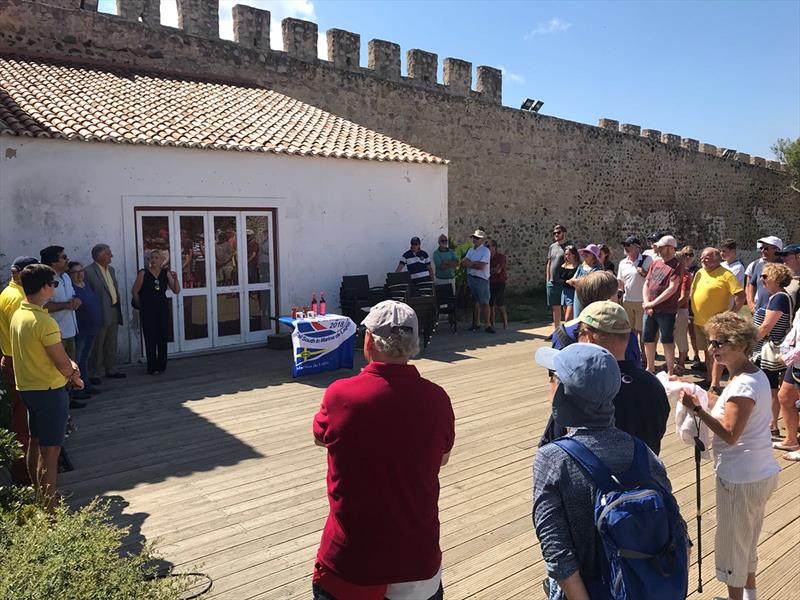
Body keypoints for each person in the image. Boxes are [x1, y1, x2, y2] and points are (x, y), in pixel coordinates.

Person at [312, 300, 454, 600]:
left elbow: (321, 438)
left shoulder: (340, 395)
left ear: (368, 341)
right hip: (416, 562)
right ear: (414, 343)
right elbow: (442, 458)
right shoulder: (437, 399)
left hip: (351, 561)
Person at [533, 343, 687, 600]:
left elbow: (557, 554)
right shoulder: (642, 452)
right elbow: (678, 531)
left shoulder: (552, 459)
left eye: (555, 379)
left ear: (565, 394)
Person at [679, 312, 780, 600]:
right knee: (746, 543)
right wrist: (702, 397)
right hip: (759, 472)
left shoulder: (743, 384)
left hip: (740, 477)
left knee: (732, 547)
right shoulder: (751, 374)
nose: (712, 349)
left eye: (719, 343)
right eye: (711, 342)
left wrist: (698, 411)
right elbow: (729, 408)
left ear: (739, 344)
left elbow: (730, 434)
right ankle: (750, 596)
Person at [10, 264, 85, 512]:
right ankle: (51, 514)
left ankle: (39, 497)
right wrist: (75, 374)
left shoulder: (20, 314)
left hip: (29, 389)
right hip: (50, 391)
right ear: (44, 287)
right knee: (50, 453)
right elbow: (62, 363)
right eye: (53, 284)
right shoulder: (45, 322)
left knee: (35, 442)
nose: (55, 287)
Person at [574, 301, 670, 454]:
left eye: (577, 333)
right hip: (645, 471)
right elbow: (658, 430)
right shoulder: (652, 384)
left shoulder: (580, 386)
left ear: (589, 337)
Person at [0, 256, 39, 484]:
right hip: (19, 362)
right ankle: (27, 478)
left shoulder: (8, 293)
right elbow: (26, 337)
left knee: (20, 419)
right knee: (25, 424)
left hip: (11, 359)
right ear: (16, 272)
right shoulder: (17, 298)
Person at [690, 248, 746, 392]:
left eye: (707, 257)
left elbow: (740, 295)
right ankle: (710, 379)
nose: (703, 260)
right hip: (700, 321)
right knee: (708, 353)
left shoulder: (726, 274)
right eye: (702, 257)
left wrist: (732, 314)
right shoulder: (699, 273)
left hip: (716, 325)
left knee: (717, 354)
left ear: (717, 258)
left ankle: (715, 385)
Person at [751, 263, 794, 438]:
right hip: (766, 348)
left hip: (769, 350)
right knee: (770, 387)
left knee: (770, 388)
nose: (761, 279)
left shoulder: (779, 298)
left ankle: (771, 425)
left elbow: (766, 327)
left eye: (765, 276)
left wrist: (745, 343)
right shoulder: (776, 297)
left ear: (776, 278)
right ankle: (771, 424)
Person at [40, 246, 83, 409]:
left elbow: (72, 295)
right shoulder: (45, 279)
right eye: (64, 257)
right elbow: (42, 306)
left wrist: (75, 301)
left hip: (70, 329)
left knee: (71, 367)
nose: (67, 260)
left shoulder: (65, 277)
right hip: (55, 333)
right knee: (59, 371)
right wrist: (65, 305)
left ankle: (69, 401)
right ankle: (61, 404)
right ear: (53, 261)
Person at [132, 249, 180, 375]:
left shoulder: (165, 273)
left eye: (156, 258)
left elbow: (176, 290)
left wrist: (176, 279)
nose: (153, 260)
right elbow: (135, 291)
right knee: (150, 337)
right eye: (151, 258)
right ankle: (152, 367)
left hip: (162, 308)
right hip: (148, 309)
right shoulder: (143, 273)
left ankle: (162, 365)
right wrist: (140, 305)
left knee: (162, 336)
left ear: (162, 260)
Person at [642, 235, 684, 376]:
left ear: (671, 248)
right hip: (650, 309)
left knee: (667, 340)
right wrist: (647, 302)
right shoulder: (656, 263)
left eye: (662, 246)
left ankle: (670, 371)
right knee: (648, 339)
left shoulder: (677, 265)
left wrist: (652, 303)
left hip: (666, 310)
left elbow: (672, 288)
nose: (658, 249)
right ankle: (650, 367)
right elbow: (647, 283)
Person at [85, 243, 125, 381]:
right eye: (108, 253)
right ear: (99, 256)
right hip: (99, 313)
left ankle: (111, 369)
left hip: (113, 310)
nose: (111, 256)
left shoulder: (111, 270)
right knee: (97, 344)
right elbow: (88, 294)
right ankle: (94, 373)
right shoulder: (88, 272)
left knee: (111, 342)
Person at [775, 243, 800, 456]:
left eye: (787, 256)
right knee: (785, 396)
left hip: (796, 357)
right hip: (795, 358)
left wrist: (789, 355)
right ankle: (792, 439)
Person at [67, 261, 102, 400]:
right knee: (77, 360)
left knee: (85, 358)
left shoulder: (85, 285)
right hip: (80, 330)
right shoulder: (71, 289)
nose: (80, 274)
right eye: (76, 272)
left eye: (81, 271)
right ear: (70, 275)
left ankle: (86, 385)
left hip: (91, 328)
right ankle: (77, 389)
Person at [617, 235, 652, 356]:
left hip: (642, 301)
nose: (625, 248)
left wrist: (643, 273)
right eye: (625, 245)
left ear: (637, 247)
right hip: (627, 301)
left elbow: (653, 279)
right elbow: (620, 281)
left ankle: (644, 358)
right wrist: (619, 295)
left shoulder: (648, 260)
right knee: (630, 331)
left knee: (642, 331)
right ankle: (631, 354)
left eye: (628, 245)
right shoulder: (622, 263)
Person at [462, 229, 493, 333]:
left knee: (484, 302)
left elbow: (481, 266)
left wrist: (471, 264)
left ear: (481, 240)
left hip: (481, 279)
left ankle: (488, 324)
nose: (475, 239)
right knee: (475, 302)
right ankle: (476, 323)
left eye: (477, 238)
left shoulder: (485, 251)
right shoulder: (471, 250)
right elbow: (464, 262)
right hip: (471, 278)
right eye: (474, 238)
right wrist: (474, 264)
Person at [745, 236, 783, 314]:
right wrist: (751, 303)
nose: (762, 251)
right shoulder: (759, 265)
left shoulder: (784, 267)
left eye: (766, 248)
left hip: (777, 312)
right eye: (761, 248)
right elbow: (751, 285)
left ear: (777, 250)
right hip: (759, 311)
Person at [545, 224, 572, 330]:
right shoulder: (552, 246)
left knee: (566, 307)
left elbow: (572, 262)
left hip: (563, 281)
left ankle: (567, 330)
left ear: (564, 233)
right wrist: (547, 279)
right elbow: (549, 263)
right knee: (555, 307)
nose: (556, 234)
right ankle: (557, 331)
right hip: (552, 282)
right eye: (554, 233)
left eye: (558, 232)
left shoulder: (569, 246)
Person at [567, 244, 602, 317]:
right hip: (578, 297)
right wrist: (580, 282)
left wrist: (578, 282)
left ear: (593, 256)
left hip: (591, 298)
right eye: (585, 251)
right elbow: (572, 280)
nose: (585, 254)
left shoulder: (597, 269)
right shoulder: (580, 267)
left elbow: (594, 284)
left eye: (588, 252)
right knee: (578, 318)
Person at [674, 250, 694, 374]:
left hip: (680, 310)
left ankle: (681, 363)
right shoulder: (673, 274)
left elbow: (684, 298)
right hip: (672, 310)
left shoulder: (686, 276)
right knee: (672, 336)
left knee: (681, 337)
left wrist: (670, 307)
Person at [488, 239, 508, 329]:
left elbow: (498, 270)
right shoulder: (486, 258)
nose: (487, 248)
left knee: (500, 304)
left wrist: (490, 271)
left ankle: (505, 324)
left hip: (499, 282)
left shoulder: (501, 257)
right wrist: (492, 270)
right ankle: (492, 324)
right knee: (490, 304)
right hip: (490, 282)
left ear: (494, 247)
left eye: (489, 246)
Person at [558, 246, 580, 321]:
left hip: (573, 293)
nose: (567, 256)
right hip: (564, 293)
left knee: (568, 318)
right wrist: (568, 281)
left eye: (569, 254)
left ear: (574, 255)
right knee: (567, 318)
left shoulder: (579, 267)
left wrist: (571, 282)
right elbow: (558, 279)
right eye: (566, 254)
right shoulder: (563, 266)